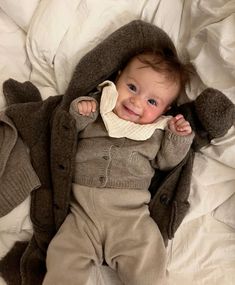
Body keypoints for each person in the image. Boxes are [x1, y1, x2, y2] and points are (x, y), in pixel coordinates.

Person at [42, 51, 194, 285]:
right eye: (132, 87)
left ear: (165, 110)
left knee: (148, 258)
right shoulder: (98, 110)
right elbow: (67, 133)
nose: (136, 101)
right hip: (82, 213)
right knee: (63, 256)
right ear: (118, 77)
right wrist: (81, 111)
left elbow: (167, 162)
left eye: (152, 102)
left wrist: (178, 137)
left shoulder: (155, 132)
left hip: (130, 216)